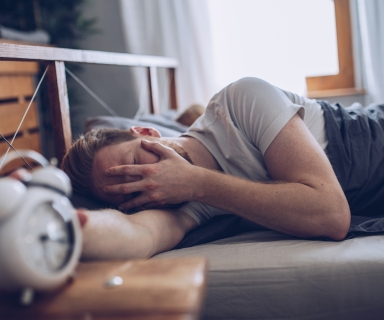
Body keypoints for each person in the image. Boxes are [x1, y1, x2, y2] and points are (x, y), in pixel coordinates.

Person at [62, 77, 384, 261]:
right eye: (125, 193)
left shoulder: (239, 102)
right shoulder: (177, 202)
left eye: (133, 166)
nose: (143, 184)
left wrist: (198, 183)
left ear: (146, 134)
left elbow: (331, 214)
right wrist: (65, 228)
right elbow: (138, 234)